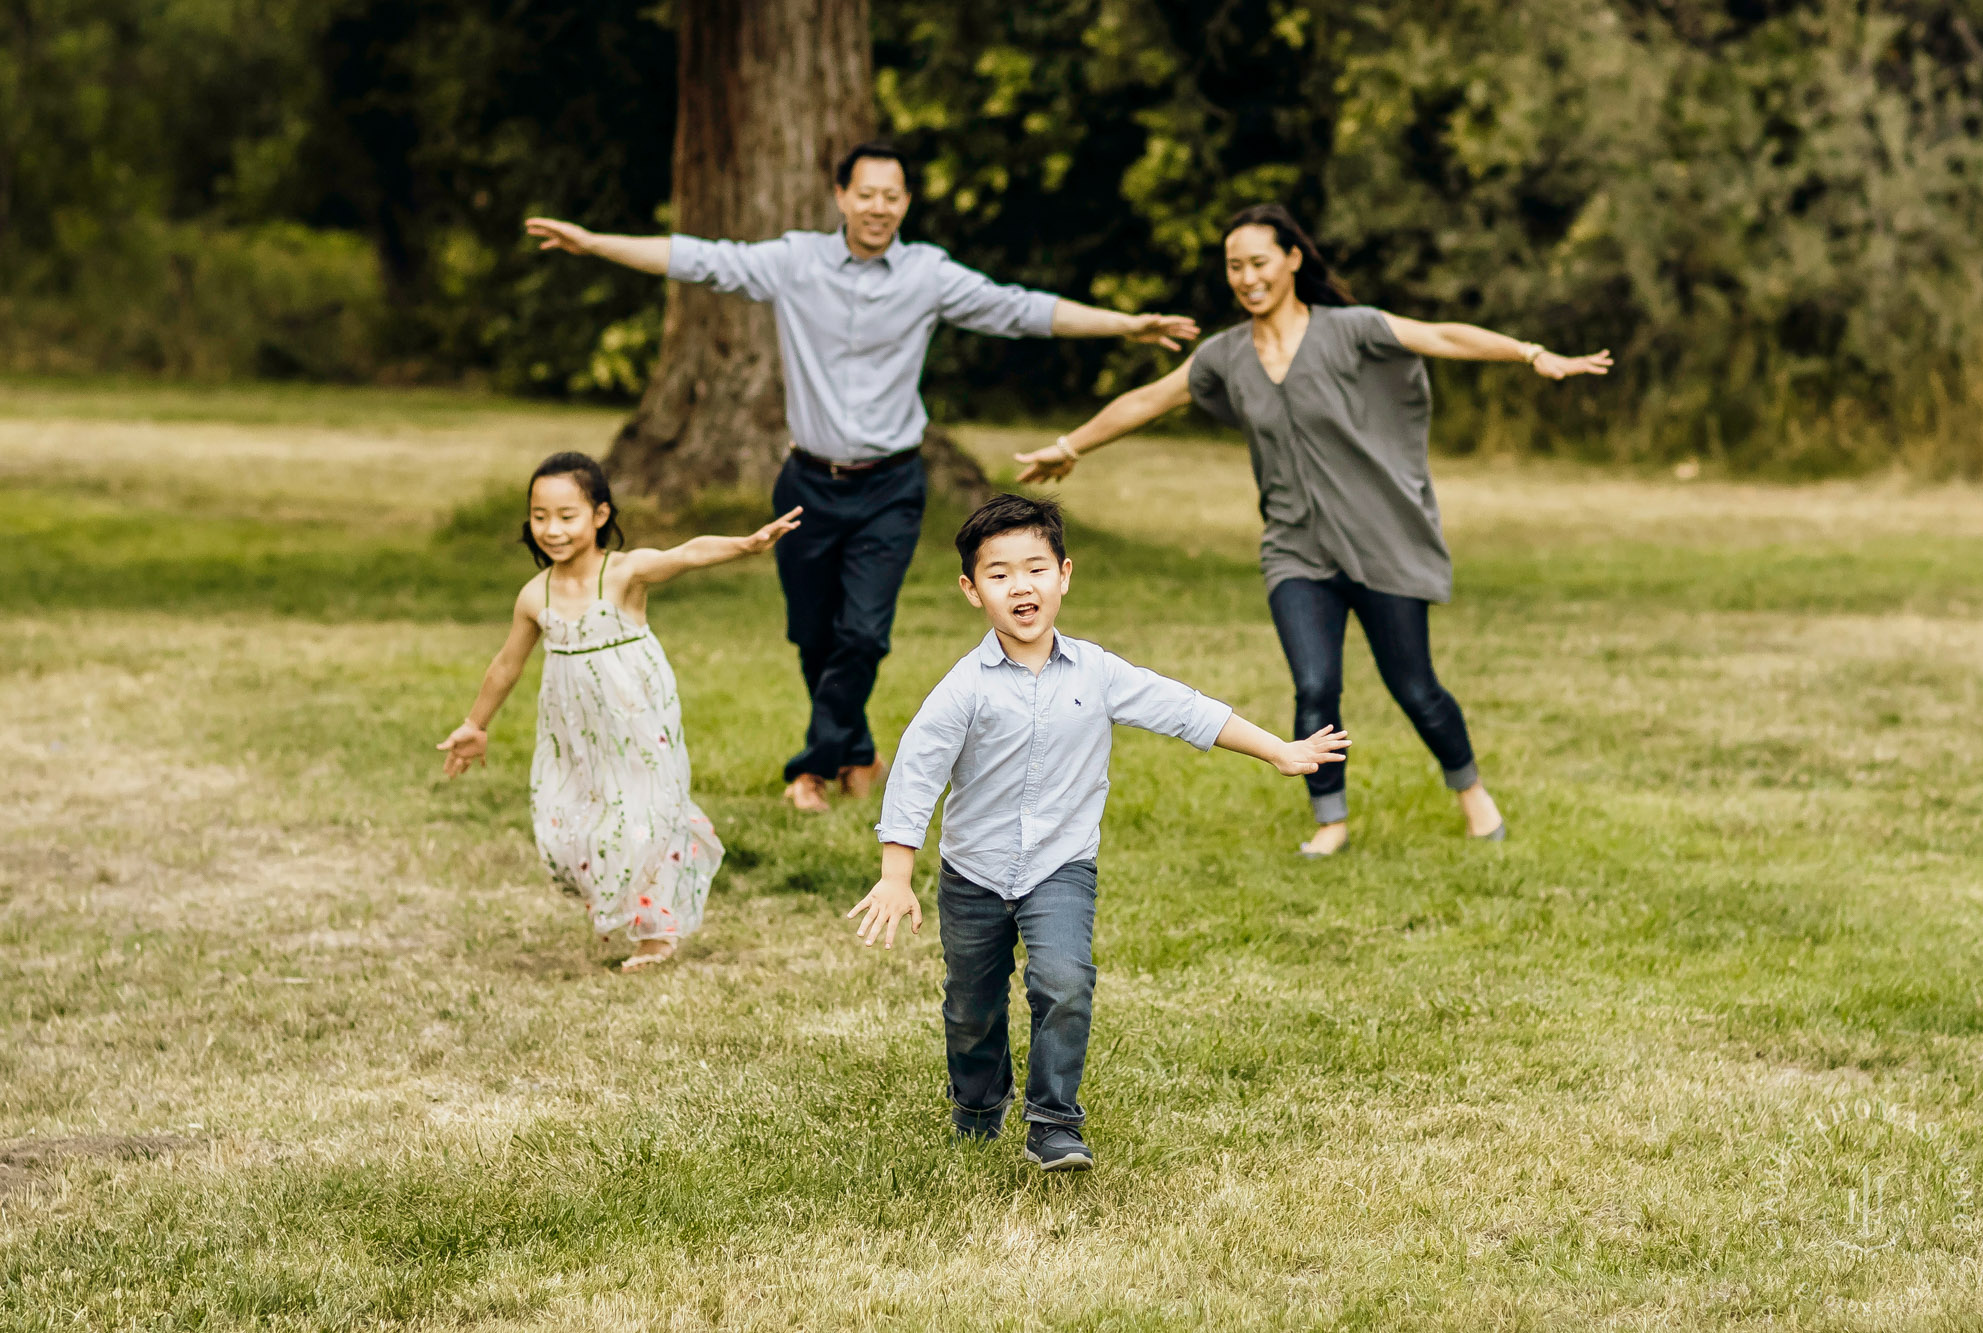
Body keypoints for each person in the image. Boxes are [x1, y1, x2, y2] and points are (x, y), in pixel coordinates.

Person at [525, 141, 1201, 815]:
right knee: (814, 633)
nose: (879, 207)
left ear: (905, 203)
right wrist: (593, 243)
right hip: (806, 484)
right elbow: (699, 259)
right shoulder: (794, 261)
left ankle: (812, 767)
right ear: (842, 196)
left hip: (891, 486)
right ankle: (859, 752)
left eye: (893, 196)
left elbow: (1019, 309)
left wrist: (1126, 324)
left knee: (864, 633)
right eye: (867, 193)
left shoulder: (928, 274)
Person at [1016, 203, 1613, 857]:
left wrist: (1530, 354)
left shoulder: (1350, 330)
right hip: (1296, 548)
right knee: (1315, 685)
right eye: (1234, 267)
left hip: (1380, 539)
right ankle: (1330, 818)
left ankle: (1472, 792)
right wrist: (1070, 445)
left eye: (1259, 263)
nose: (1247, 278)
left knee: (1414, 686)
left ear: (1293, 260)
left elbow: (1441, 337)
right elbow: (1148, 400)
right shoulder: (1226, 356)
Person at [846, 495, 1348, 1170]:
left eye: (1035, 568)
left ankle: (1053, 1120)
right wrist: (896, 872)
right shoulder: (962, 689)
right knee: (972, 1004)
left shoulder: (1098, 673)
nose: (1021, 585)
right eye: (999, 574)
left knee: (1065, 980)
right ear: (972, 590)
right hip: (974, 872)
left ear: (1064, 575)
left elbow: (1183, 708)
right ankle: (976, 1101)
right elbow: (914, 774)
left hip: (1061, 866)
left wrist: (1277, 750)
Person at [435, 451, 801, 972]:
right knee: (566, 832)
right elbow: (506, 665)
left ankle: (654, 933)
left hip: (637, 722)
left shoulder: (623, 573)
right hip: (572, 734)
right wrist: (475, 724)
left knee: (642, 821)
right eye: (540, 516)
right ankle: (621, 901)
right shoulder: (534, 595)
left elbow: (687, 553)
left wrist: (746, 545)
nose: (552, 529)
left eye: (567, 516)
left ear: (600, 515)